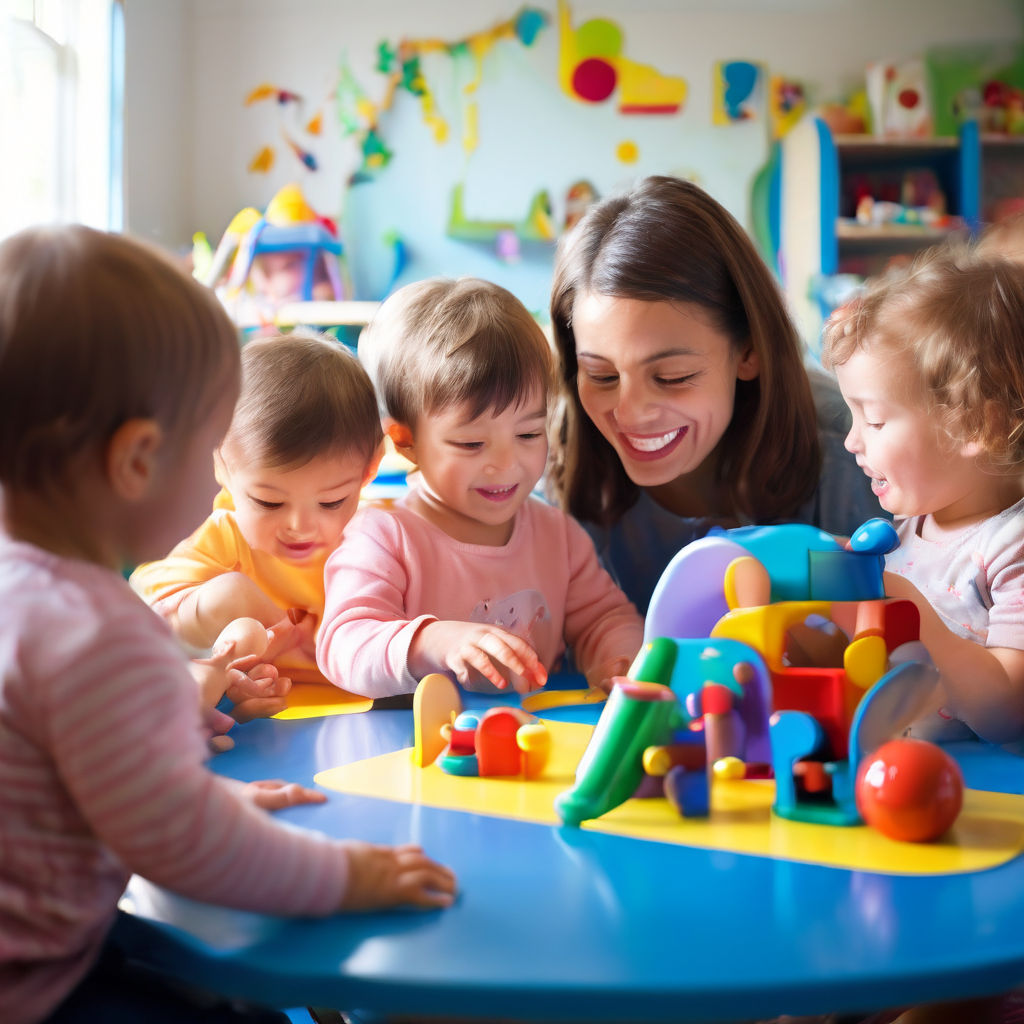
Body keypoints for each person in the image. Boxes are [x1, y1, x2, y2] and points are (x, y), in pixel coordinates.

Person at [0, 225, 456, 1024]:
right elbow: (184, 850)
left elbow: (88, 800)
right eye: (212, 445)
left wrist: (197, 804)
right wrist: (351, 877)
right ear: (139, 460)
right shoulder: (103, 631)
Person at [546, 174, 883, 615]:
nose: (630, 413)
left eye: (671, 376)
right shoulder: (546, 454)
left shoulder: (855, 451)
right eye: (602, 375)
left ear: (748, 350)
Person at [317, 277, 644, 698]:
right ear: (405, 440)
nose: (506, 464)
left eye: (528, 434)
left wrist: (620, 660)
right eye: (472, 443)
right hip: (419, 752)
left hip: (540, 745)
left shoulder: (558, 537)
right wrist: (431, 642)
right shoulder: (383, 538)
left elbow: (606, 618)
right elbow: (343, 642)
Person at [823, 244, 1024, 749]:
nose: (852, 440)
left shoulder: (1012, 547)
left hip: (985, 799)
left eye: (874, 419)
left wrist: (912, 613)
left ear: (978, 423)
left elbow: (1009, 716)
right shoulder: (903, 534)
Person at [131, 331, 383, 718]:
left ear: (370, 469)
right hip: (254, 708)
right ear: (221, 467)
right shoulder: (225, 534)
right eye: (269, 502)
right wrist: (226, 647)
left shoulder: (377, 536)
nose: (300, 526)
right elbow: (153, 599)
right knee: (221, 600)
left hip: (363, 708)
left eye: (332, 502)